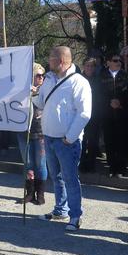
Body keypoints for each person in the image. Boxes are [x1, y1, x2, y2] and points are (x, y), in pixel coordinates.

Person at [32, 46, 92, 231]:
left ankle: (75, 216)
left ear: (61, 61)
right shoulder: (49, 80)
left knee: (70, 178)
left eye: (51, 58)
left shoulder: (78, 82)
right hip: (49, 137)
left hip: (67, 141)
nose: (48, 62)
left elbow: (84, 113)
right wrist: (34, 93)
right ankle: (60, 210)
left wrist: (70, 137)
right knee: (56, 177)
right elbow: (41, 103)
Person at [17, 63, 47, 204]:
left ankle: (40, 193)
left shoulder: (47, 89)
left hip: (41, 132)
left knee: (40, 164)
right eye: (38, 75)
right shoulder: (22, 90)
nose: (41, 78)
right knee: (28, 163)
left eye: (42, 75)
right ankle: (30, 193)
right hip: (25, 131)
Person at [98, 54, 128, 177]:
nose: (119, 62)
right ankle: (112, 167)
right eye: (115, 60)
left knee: (122, 141)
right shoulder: (101, 76)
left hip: (122, 114)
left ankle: (122, 168)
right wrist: (109, 102)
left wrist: (120, 102)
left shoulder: (126, 76)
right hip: (107, 114)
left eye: (120, 61)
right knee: (109, 141)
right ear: (108, 62)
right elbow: (98, 94)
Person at [80, 57, 102, 173]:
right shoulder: (78, 79)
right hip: (81, 114)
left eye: (92, 66)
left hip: (95, 114)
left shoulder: (98, 80)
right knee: (82, 140)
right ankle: (81, 163)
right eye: (87, 65)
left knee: (93, 141)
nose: (89, 68)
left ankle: (91, 164)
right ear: (83, 66)